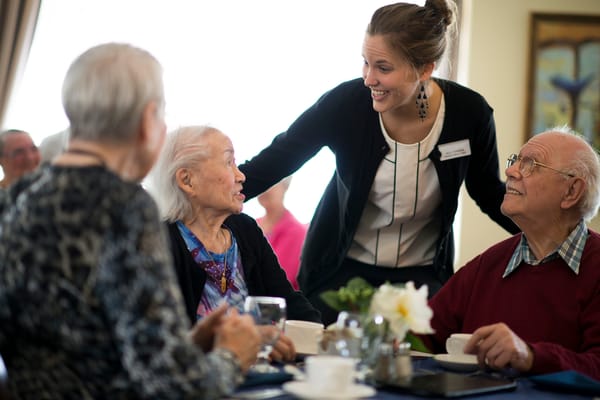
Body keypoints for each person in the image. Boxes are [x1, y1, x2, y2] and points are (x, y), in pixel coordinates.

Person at [0, 43, 261, 399]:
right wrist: (233, 356)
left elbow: (85, 340)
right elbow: (173, 387)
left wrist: (189, 345)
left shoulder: (17, 196)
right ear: (146, 119)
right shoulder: (123, 205)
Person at [238, 0, 519, 324]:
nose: (369, 78)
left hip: (421, 279)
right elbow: (279, 157)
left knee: (420, 367)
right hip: (339, 272)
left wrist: (553, 233)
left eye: (383, 68)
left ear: (425, 68)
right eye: (365, 63)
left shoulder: (469, 114)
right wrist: (215, 193)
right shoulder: (346, 104)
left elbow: (487, 192)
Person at [425, 127, 600, 379]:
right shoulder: (488, 264)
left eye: (530, 164)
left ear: (571, 191)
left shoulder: (595, 267)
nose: (510, 171)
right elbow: (423, 333)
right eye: (515, 160)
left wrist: (529, 356)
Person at [149, 125, 321, 361]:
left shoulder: (245, 229)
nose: (241, 176)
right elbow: (160, 343)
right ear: (187, 180)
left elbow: (289, 302)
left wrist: (320, 337)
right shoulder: (157, 244)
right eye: (228, 162)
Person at [257, 176, 307, 290]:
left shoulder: (296, 232)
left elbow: (280, 280)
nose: (264, 190)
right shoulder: (251, 225)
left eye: (270, 184)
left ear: (285, 186)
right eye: (262, 184)